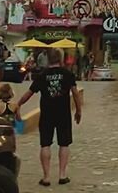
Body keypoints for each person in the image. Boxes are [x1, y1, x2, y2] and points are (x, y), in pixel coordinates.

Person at [17, 48, 83, 187]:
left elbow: (29, 93)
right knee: (64, 143)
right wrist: (78, 111)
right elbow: (76, 94)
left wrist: (19, 104)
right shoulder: (67, 74)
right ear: (61, 59)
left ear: (48, 59)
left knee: (45, 144)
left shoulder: (42, 75)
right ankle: (62, 175)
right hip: (63, 114)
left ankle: (46, 177)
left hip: (47, 114)